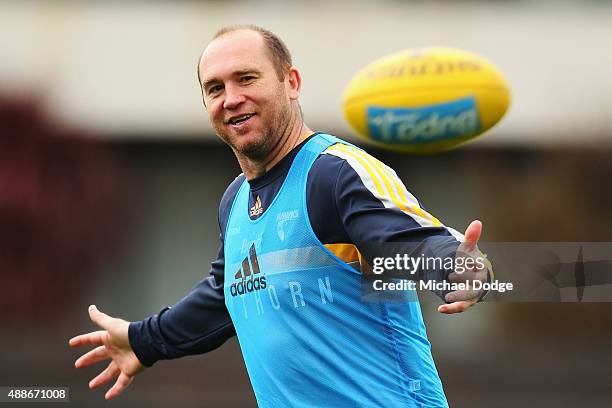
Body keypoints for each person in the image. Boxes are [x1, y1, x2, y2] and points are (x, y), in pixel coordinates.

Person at [69, 25, 489, 407]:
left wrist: (460, 270)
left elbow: (409, 242)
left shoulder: (334, 174)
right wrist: (144, 341)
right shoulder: (235, 202)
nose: (231, 98)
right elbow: (224, 294)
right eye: (215, 88)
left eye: (246, 78)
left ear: (291, 82)